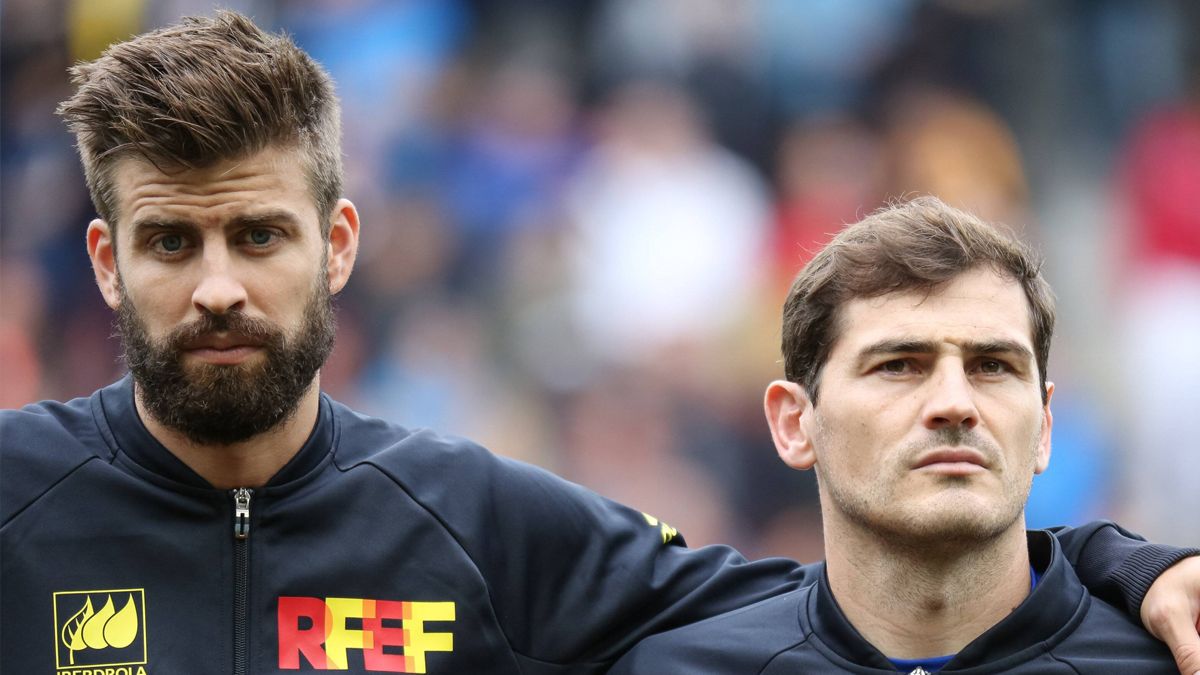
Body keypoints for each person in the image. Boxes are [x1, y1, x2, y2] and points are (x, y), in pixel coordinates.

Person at [0, 12, 1196, 675]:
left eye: (261, 234)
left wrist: (1115, 564)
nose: (217, 287)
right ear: (106, 261)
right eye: (169, 244)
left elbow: (849, 592)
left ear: (340, 246)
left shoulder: (479, 524)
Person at [610, 197, 1199, 674]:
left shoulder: (1171, 660)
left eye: (993, 366)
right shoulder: (680, 668)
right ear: (795, 423)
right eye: (898, 365)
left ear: (1044, 427)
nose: (954, 404)